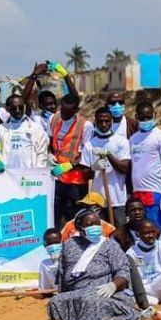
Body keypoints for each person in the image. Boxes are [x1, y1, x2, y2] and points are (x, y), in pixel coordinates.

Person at [46, 219, 139, 320]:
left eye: (97, 224)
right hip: (77, 291)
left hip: (104, 291)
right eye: (90, 224)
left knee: (90, 300)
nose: (94, 227)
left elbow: (123, 270)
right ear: (80, 227)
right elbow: (63, 272)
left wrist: (113, 285)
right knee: (55, 302)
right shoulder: (70, 245)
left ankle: (130, 318)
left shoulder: (109, 245)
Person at [128, 100, 161, 235]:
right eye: (142, 118)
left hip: (155, 192)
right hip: (137, 193)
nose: (146, 120)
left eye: (148, 117)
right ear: (136, 117)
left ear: (154, 115)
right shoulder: (133, 139)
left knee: (157, 231)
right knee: (140, 232)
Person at [79, 105, 131, 226]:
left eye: (107, 121)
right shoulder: (89, 145)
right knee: (101, 232)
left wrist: (108, 155)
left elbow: (125, 168)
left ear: (111, 121)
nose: (103, 124)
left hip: (118, 200)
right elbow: (85, 174)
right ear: (95, 122)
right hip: (98, 200)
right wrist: (94, 167)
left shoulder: (121, 141)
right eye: (100, 121)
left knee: (120, 231)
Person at [49, 92, 94, 227]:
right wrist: (50, 154)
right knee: (57, 215)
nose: (64, 115)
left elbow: (87, 153)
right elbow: (50, 141)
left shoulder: (85, 126)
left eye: (68, 113)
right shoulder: (54, 119)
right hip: (58, 177)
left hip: (76, 180)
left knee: (75, 215)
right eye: (62, 110)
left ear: (76, 111)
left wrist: (70, 165)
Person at [0, 93, 49, 170]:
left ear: (24, 107)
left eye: (20, 107)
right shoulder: (1, 129)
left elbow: (42, 153)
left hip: (30, 173)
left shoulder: (36, 128)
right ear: (7, 109)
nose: (18, 110)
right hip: (7, 174)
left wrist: (38, 172)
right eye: (14, 108)